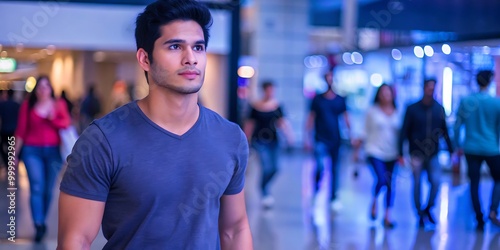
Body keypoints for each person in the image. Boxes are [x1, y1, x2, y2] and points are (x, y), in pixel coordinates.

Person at [57, 1, 253, 249]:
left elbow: (235, 229)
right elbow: (75, 240)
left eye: (198, 47)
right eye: (175, 46)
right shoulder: (103, 141)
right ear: (145, 58)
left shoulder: (230, 138)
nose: (190, 58)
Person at [14, 75, 71, 242]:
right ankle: (38, 223)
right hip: (32, 152)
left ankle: (43, 220)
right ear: (35, 89)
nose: (43, 89)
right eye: (40, 86)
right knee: (37, 186)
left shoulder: (58, 104)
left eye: (46, 86)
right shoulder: (28, 105)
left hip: (53, 152)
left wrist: (52, 118)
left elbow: (66, 123)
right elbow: (20, 131)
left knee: (48, 190)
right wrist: (14, 154)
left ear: (51, 89)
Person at [398, 79, 454, 228]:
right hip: (416, 153)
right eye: (428, 87)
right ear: (423, 88)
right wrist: (400, 153)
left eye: (433, 87)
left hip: (433, 153)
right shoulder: (412, 108)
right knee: (416, 183)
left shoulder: (438, 109)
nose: (430, 90)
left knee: (436, 182)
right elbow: (404, 130)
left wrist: (451, 150)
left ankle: (428, 208)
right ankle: (419, 213)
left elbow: (444, 131)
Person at [454, 70, 500, 230]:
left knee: (474, 183)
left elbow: (457, 125)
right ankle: (493, 210)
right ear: (490, 81)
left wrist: (456, 145)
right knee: (498, 179)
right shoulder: (496, 103)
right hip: (492, 148)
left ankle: (479, 218)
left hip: (471, 148)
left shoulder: (467, 101)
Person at [305, 71, 352, 211]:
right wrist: (307, 137)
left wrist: (351, 134)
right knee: (320, 166)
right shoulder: (318, 99)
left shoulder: (340, 99)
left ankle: (333, 197)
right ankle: (316, 191)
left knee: (335, 169)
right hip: (320, 138)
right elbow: (311, 118)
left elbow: (346, 117)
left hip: (335, 139)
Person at [243, 81, 294, 208]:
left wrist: (290, 137)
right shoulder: (255, 107)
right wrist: (244, 140)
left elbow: (283, 123)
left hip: (274, 141)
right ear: (264, 90)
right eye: (268, 90)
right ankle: (265, 192)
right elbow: (250, 124)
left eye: (273, 90)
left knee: (275, 168)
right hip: (259, 141)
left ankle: (264, 185)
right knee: (266, 166)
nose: (271, 92)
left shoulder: (277, 107)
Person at [361, 84, 400, 228]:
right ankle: (375, 201)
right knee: (382, 178)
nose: (385, 96)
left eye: (388, 93)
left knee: (390, 183)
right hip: (374, 150)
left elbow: (402, 134)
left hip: (392, 152)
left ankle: (387, 216)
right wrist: (356, 151)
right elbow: (364, 131)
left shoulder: (397, 111)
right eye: (382, 93)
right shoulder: (372, 111)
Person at [0, 90, 20, 169]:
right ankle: (12, 161)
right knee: (12, 147)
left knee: (5, 147)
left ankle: (7, 162)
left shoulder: (2, 105)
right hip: (14, 129)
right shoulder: (17, 105)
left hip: (5, 129)